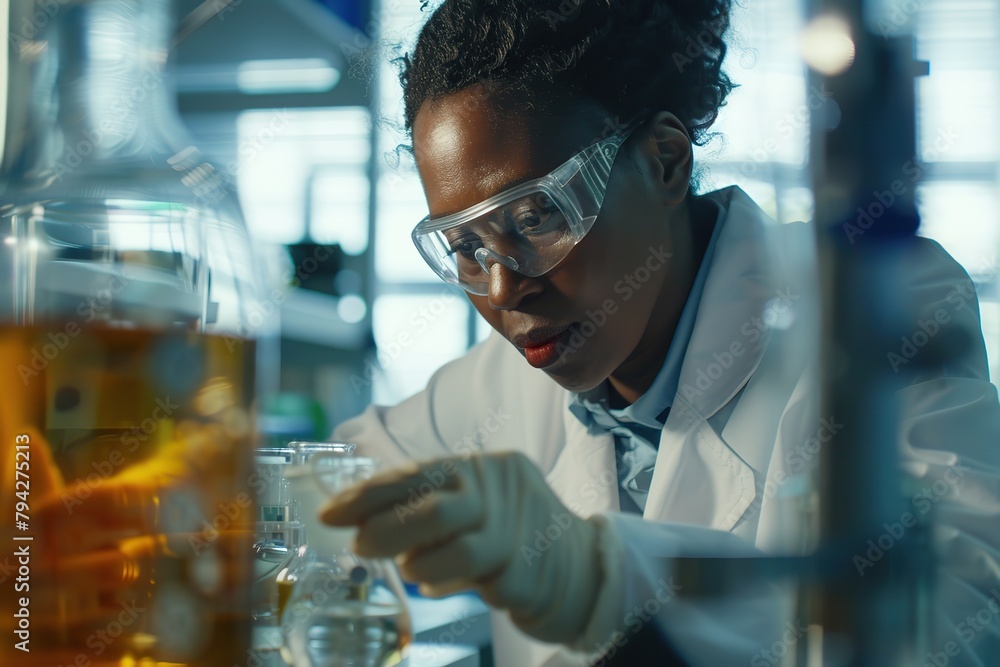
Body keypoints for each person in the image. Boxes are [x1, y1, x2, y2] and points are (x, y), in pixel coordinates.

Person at [318, 0, 1000, 664]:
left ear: (666, 160)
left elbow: (956, 617)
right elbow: (329, 486)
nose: (502, 289)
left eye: (534, 218)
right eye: (467, 247)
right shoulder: (500, 384)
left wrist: (602, 578)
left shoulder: (876, 304)